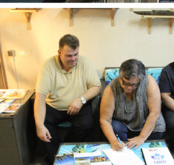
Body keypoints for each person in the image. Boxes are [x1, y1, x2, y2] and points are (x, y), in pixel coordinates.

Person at [34, 34, 102, 164]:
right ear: (59, 53)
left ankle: (65, 149)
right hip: (54, 106)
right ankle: (58, 157)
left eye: (76, 54)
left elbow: (96, 87)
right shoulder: (47, 65)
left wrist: (81, 99)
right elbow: (40, 97)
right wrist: (39, 125)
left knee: (87, 123)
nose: (73, 58)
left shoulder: (85, 62)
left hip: (78, 106)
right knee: (43, 124)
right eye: (69, 55)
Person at [99, 59, 165, 150]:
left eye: (134, 85)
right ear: (120, 76)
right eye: (125, 83)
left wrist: (141, 137)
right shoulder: (112, 87)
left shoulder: (149, 82)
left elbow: (155, 112)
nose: (129, 88)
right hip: (124, 126)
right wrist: (113, 141)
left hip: (147, 125)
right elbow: (105, 120)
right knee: (115, 127)